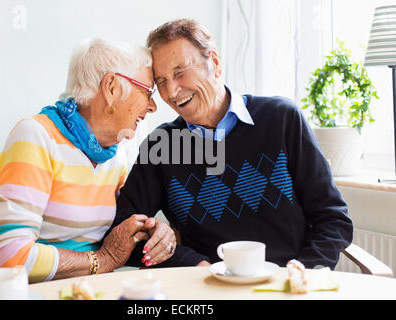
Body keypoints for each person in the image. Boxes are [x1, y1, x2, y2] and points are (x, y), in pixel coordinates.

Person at [114, 19, 353, 270]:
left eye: (179, 72)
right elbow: (121, 234)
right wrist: (188, 260)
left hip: (288, 284)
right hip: (206, 289)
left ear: (214, 63)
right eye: (161, 81)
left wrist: (304, 272)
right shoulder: (161, 146)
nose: (171, 91)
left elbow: (333, 218)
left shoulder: (282, 119)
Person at [0, 37, 176, 294]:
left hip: (77, 291)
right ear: (111, 87)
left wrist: (156, 232)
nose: (152, 106)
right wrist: (101, 260)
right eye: (147, 91)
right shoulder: (36, 136)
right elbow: (12, 255)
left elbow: (121, 234)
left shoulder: (115, 156)